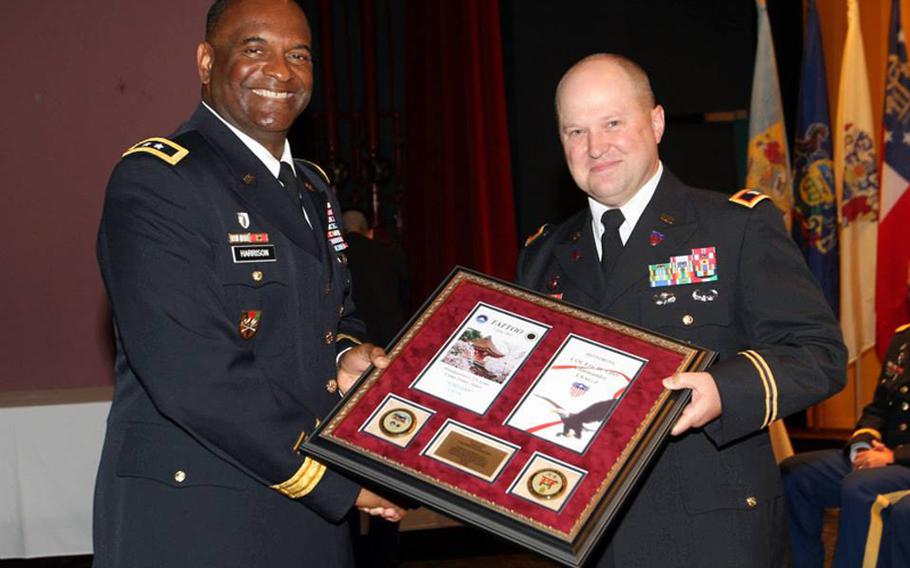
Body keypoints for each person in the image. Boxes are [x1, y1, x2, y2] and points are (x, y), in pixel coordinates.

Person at [93, 1, 404, 566]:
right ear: (207, 61)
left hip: (306, 517)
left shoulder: (310, 187)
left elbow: (335, 317)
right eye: (255, 49)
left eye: (299, 54)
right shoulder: (158, 181)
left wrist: (343, 358)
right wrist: (337, 483)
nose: (281, 71)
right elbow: (194, 375)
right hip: (201, 521)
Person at [516, 53, 846, 567]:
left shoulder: (734, 227)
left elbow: (819, 354)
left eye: (612, 123)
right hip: (589, 541)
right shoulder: (544, 255)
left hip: (712, 534)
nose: (595, 147)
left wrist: (722, 389)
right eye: (575, 132)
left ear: (656, 122)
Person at [781, 321, 910, 568]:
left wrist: (895, 456)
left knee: (861, 487)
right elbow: (879, 408)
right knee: (797, 475)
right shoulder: (903, 337)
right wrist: (862, 446)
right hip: (882, 453)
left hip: (902, 461)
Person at [341, 209, 409, 346]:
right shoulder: (389, 253)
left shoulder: (335, 257)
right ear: (370, 233)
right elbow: (404, 297)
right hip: (389, 332)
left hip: (352, 337)